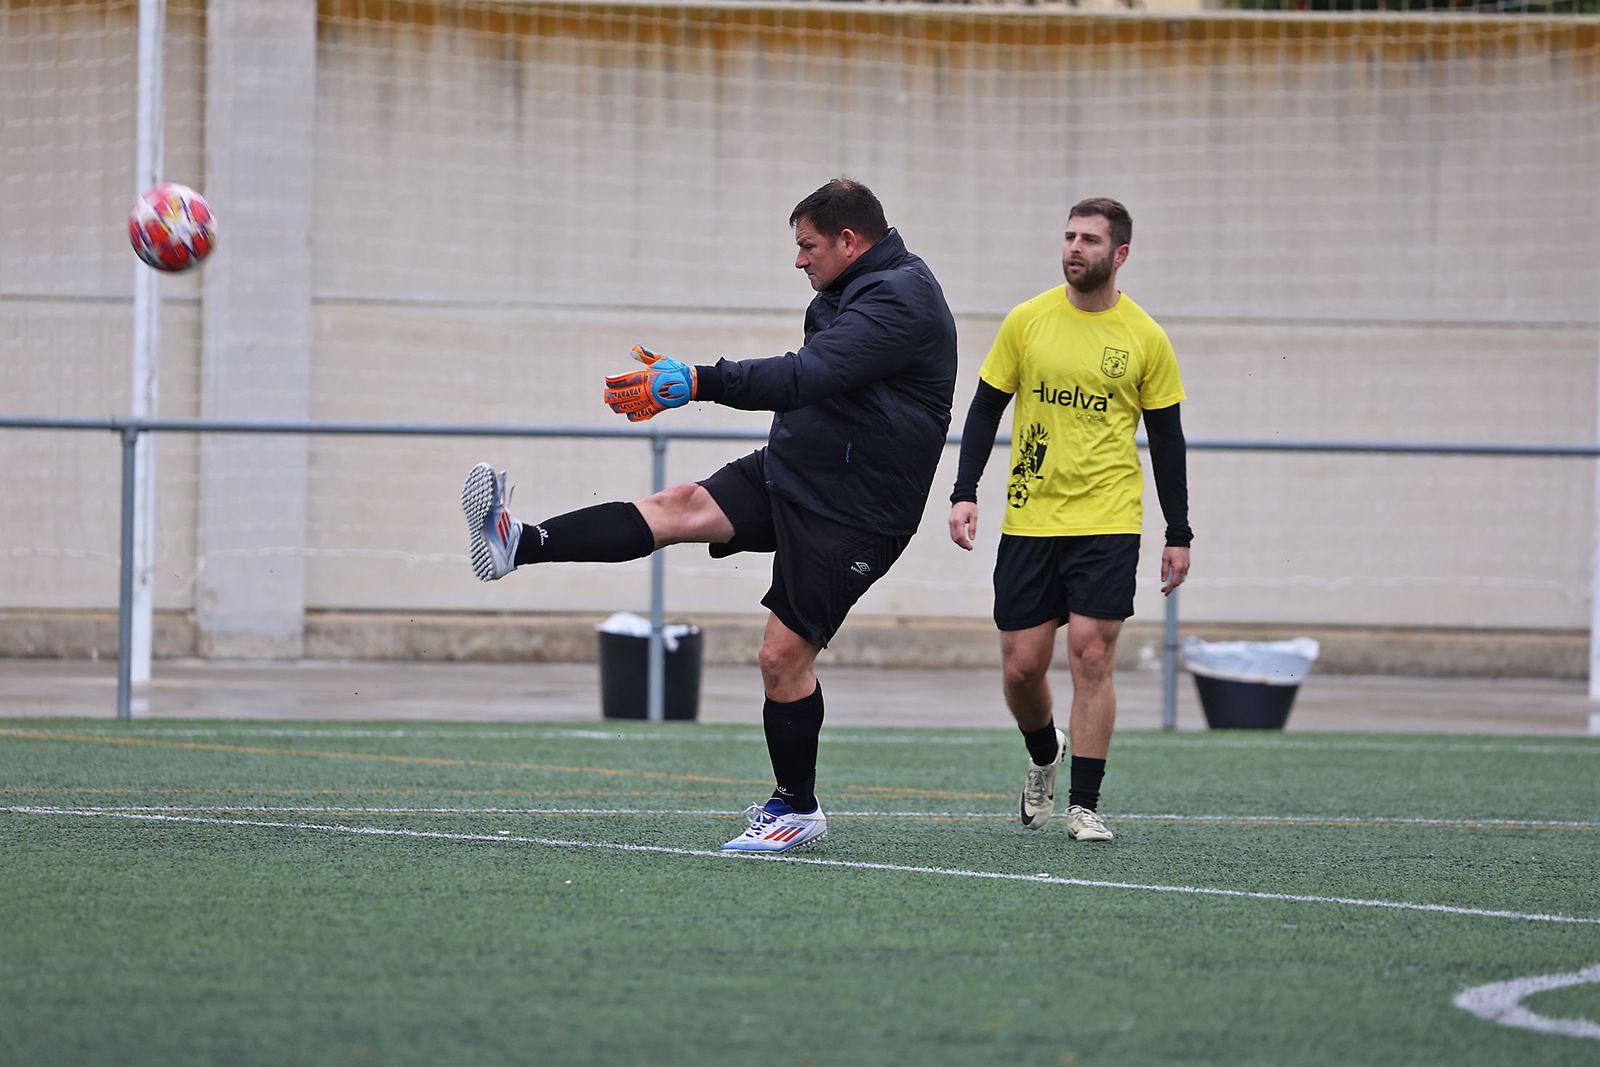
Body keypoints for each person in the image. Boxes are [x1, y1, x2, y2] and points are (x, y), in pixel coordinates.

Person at [462, 177, 957, 854]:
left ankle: (797, 807)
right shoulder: (848, 286)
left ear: (848, 241)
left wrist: (700, 380)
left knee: (780, 658)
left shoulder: (902, 296)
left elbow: (806, 375)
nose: (798, 260)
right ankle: (518, 542)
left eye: (808, 246)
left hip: (854, 511)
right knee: (677, 507)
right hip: (799, 469)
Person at [947, 197, 1191, 843]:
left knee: (1092, 655)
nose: (1075, 248)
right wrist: (965, 491)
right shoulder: (1027, 321)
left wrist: (1179, 532)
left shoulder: (1145, 337)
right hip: (1031, 516)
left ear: (1121, 253)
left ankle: (1085, 804)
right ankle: (1043, 750)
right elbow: (985, 408)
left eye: (1089, 239)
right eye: (1069, 236)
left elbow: (1168, 441)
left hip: (1108, 517)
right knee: (1022, 668)